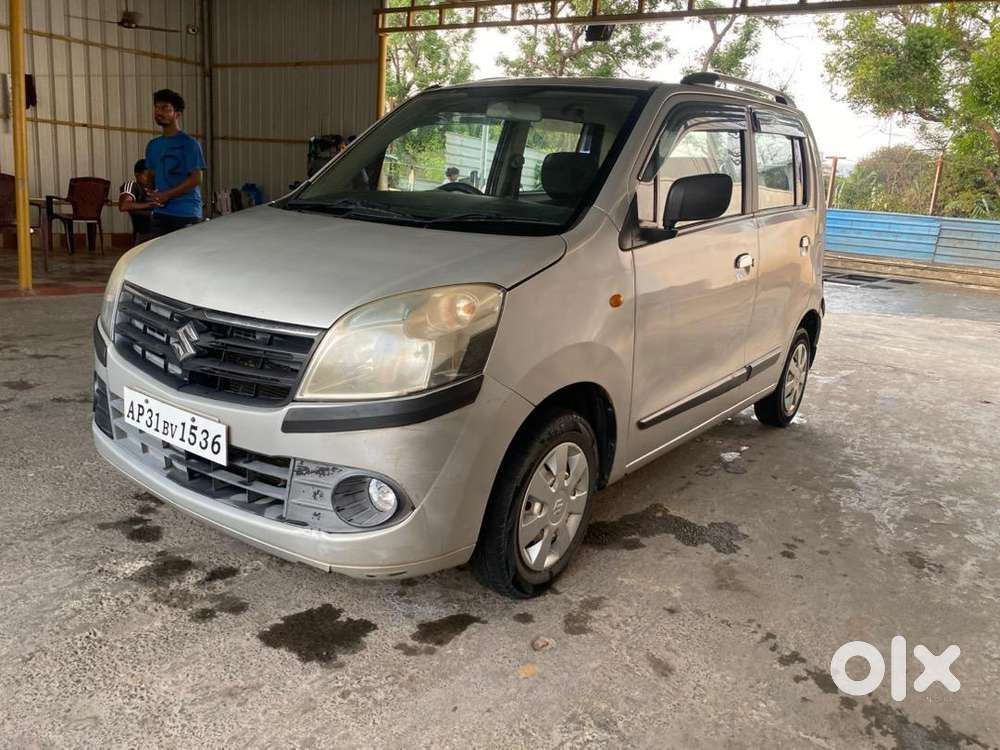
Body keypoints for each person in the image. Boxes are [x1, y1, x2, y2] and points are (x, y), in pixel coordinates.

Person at [145, 89, 206, 237]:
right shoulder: (153, 145)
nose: (159, 112)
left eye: (165, 108)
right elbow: (152, 175)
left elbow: (196, 178)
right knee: (159, 257)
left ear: (177, 114)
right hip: (161, 213)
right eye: (157, 107)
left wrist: (167, 195)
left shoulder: (189, 144)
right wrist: (152, 192)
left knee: (186, 259)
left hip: (186, 213)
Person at [117, 159, 157, 244]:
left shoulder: (158, 187)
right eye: (147, 176)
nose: (150, 179)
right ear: (137, 175)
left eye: (152, 176)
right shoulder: (133, 186)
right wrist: (151, 205)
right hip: (143, 234)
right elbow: (124, 205)